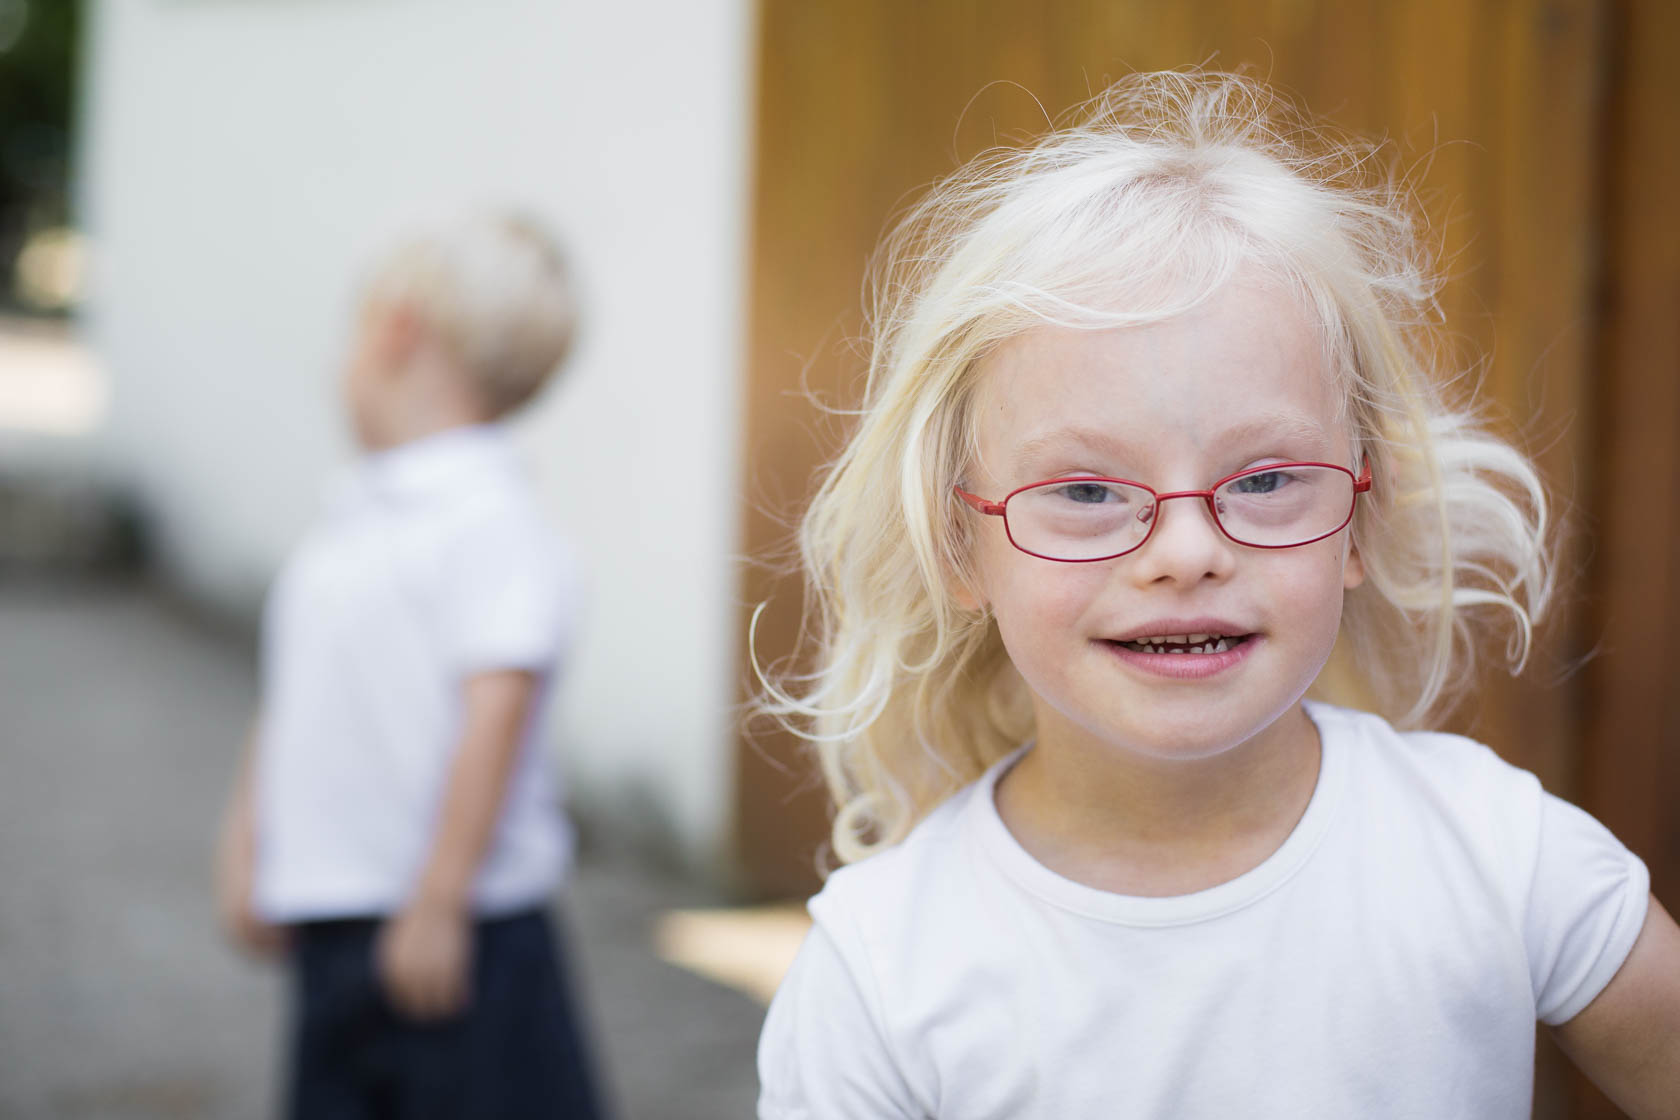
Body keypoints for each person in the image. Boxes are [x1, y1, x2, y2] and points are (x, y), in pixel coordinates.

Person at [754, 71, 1680, 1119]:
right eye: (1088, 489)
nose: (1186, 551)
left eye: (1267, 479)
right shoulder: (880, 973)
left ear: (1360, 521)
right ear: (962, 544)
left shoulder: (1502, 857)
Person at [214, 211, 606, 1119]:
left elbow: (496, 711)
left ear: (395, 331)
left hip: (459, 938)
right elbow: (299, 697)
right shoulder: (355, 520)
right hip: (338, 925)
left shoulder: (490, 520)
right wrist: (250, 839)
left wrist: (439, 900)